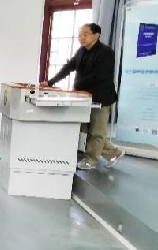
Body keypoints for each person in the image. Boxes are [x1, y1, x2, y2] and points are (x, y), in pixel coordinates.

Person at [45, 22, 123, 170]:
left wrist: (77, 86)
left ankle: (90, 160)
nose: (82, 37)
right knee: (87, 130)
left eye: (86, 34)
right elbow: (68, 67)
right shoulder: (81, 51)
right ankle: (114, 153)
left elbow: (99, 76)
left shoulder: (106, 53)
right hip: (84, 97)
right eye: (80, 34)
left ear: (96, 35)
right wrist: (50, 82)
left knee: (96, 132)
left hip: (101, 98)